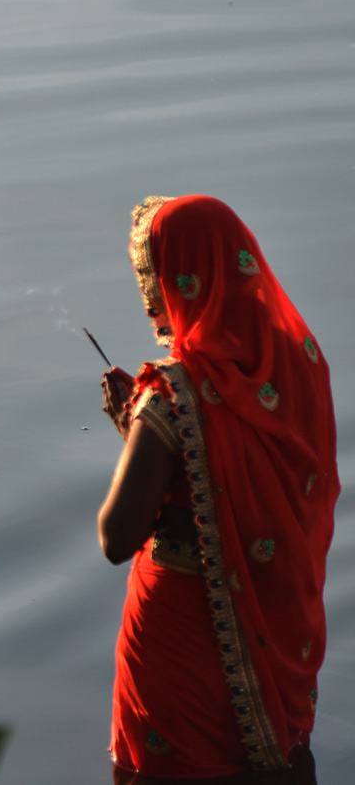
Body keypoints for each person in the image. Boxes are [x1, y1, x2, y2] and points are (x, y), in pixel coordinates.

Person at [98, 195, 338, 777]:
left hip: (182, 639)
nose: (149, 296)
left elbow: (117, 536)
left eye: (151, 278)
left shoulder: (169, 394)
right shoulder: (299, 368)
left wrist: (135, 429)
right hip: (275, 627)